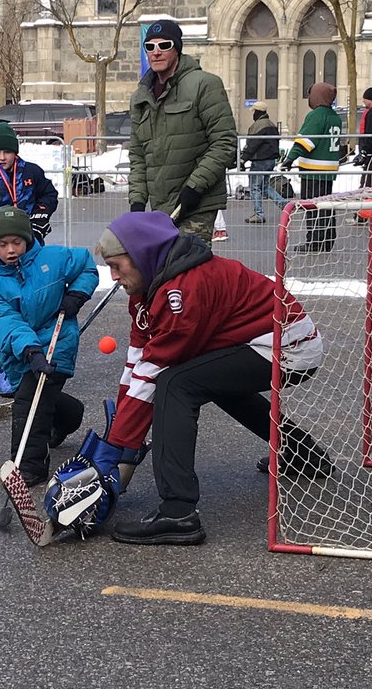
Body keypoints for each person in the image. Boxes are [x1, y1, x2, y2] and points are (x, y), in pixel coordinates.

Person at [64, 211, 328, 545]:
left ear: (144, 257)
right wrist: (118, 439)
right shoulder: (148, 288)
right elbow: (137, 360)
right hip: (261, 342)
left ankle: (178, 513)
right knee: (206, 380)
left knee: (177, 384)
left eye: (118, 266)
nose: (114, 277)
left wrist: (116, 451)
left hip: (291, 348)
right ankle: (301, 452)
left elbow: (154, 372)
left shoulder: (182, 290)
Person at [0, 207, 98, 486]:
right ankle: (70, 416)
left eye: (16, 242)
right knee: (38, 393)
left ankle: (29, 467)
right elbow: (8, 322)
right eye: (3, 244)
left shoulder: (53, 258)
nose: (11, 250)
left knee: (29, 400)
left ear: (28, 239)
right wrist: (31, 351)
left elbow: (87, 266)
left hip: (58, 340)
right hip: (23, 350)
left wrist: (77, 295)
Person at [0, 121, 59, 397]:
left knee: (34, 305)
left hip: (32, 251)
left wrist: (41, 216)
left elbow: (49, 194)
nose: (3, 157)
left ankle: (33, 360)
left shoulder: (30, 171)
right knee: (5, 312)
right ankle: (5, 367)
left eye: (8, 151)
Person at [127, 18, 238, 247]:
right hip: (161, 207)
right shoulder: (141, 97)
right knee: (165, 272)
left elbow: (224, 142)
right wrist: (137, 203)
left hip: (196, 202)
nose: (156, 52)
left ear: (177, 48)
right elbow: (138, 154)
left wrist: (194, 187)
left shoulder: (204, 84)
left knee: (188, 269)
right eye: (150, 47)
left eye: (164, 45)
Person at [281, 82, 342, 253]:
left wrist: (289, 159)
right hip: (328, 170)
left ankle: (314, 242)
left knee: (313, 207)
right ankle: (327, 240)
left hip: (313, 170)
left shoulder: (316, 115)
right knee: (327, 207)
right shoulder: (334, 116)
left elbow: (305, 141)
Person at [239, 100, 286, 224]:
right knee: (265, 187)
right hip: (271, 160)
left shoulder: (258, 126)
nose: (252, 114)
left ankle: (259, 214)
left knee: (255, 187)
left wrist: (243, 159)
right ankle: (284, 205)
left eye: (253, 111)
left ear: (257, 112)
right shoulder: (271, 124)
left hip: (259, 161)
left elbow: (252, 145)